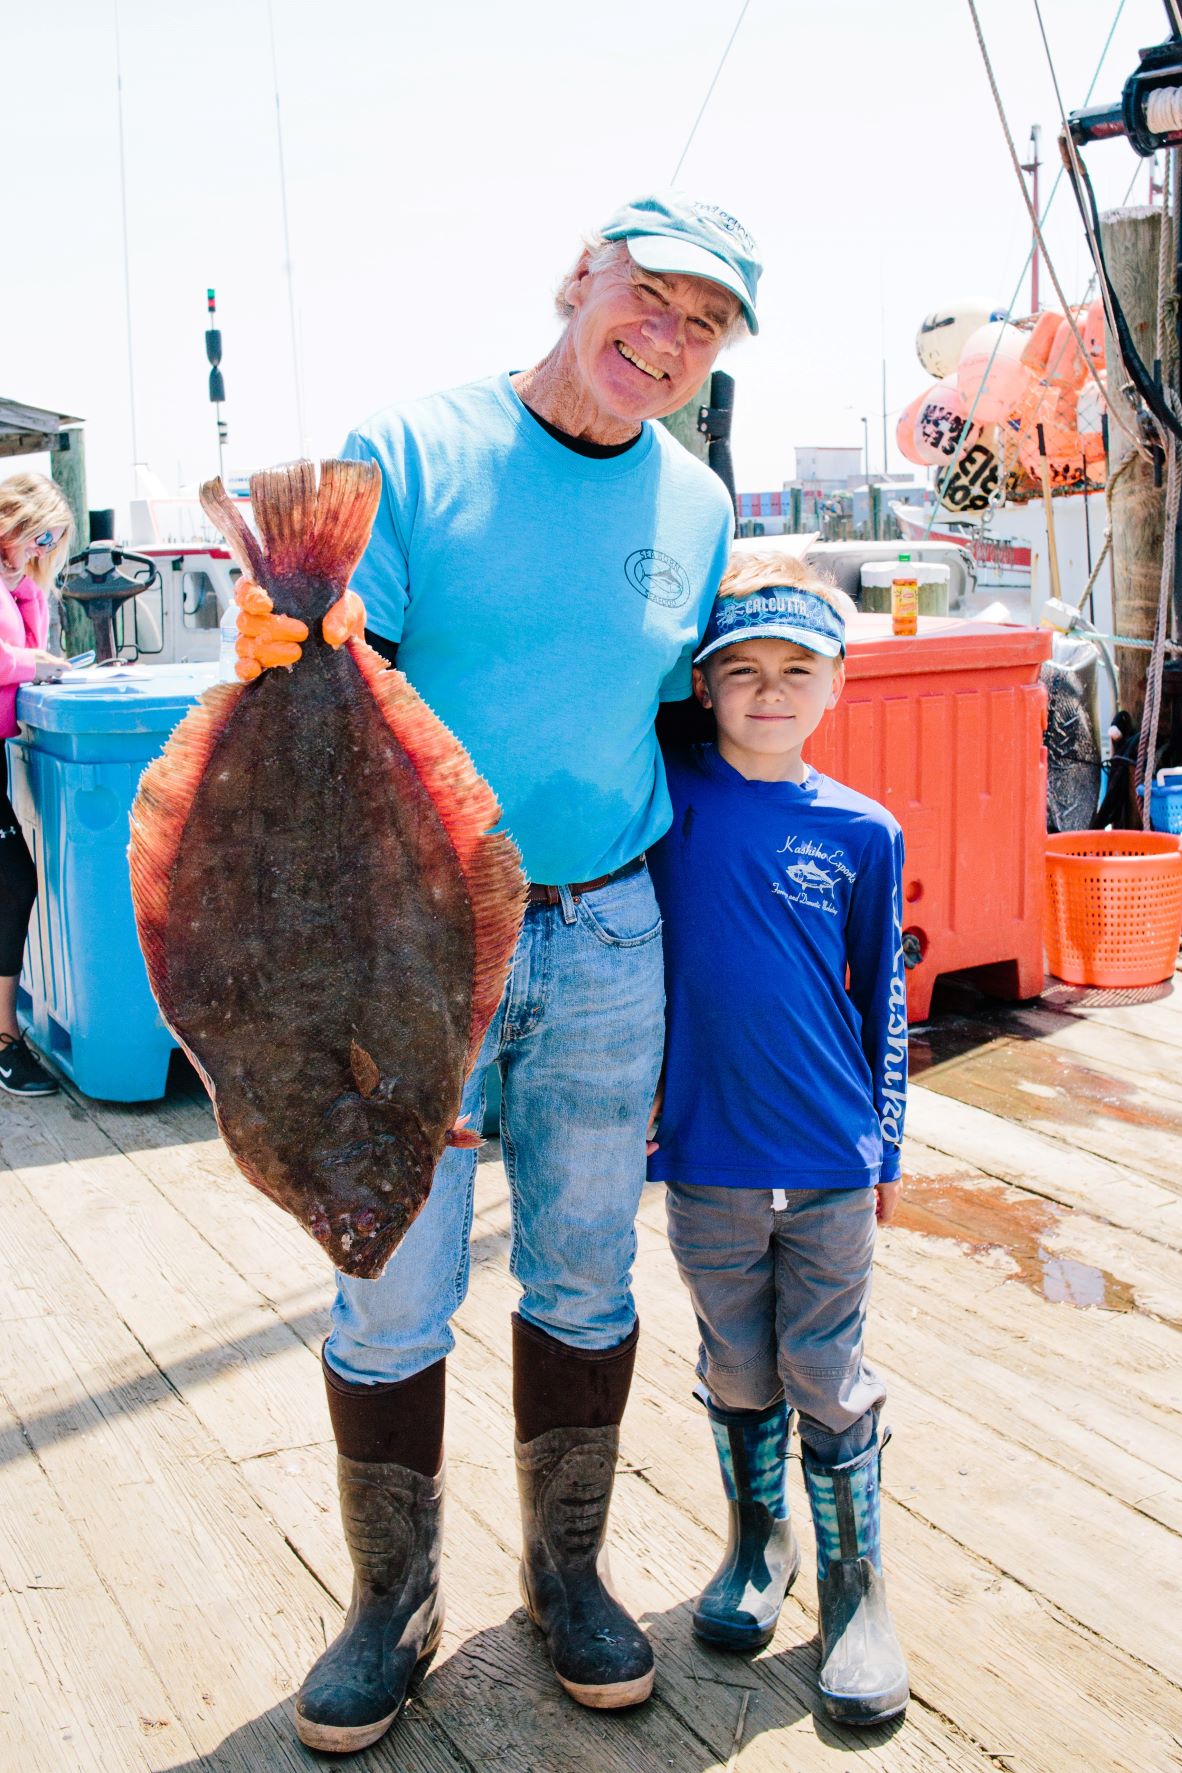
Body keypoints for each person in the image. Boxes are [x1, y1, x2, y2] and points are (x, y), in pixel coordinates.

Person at [235, 193, 762, 1754]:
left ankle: (567, 1575)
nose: (663, 341)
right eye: (646, 299)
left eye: (703, 325)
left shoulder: (699, 503)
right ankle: (389, 1609)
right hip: (417, 941)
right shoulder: (403, 447)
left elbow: (678, 717)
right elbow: (335, 701)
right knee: (386, 1288)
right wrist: (384, 985)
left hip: (609, 931)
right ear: (573, 280)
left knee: (588, 1273)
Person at [646, 551, 910, 1726]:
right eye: (738, 671)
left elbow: (882, 1006)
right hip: (704, 1158)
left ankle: (855, 1593)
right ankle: (761, 1551)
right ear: (702, 689)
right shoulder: (666, 797)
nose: (766, 692)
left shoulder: (864, 830)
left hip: (829, 1158)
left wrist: (886, 1149)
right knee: (737, 1366)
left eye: (794, 670)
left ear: (836, 684)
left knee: (826, 1373)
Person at [0, 472, 71, 1097]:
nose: (45, 546)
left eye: (53, 539)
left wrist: (28, 584)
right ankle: (3, 1041)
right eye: (41, 532)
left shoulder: (17, 581)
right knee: (13, 879)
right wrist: (38, 663)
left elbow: (32, 645)